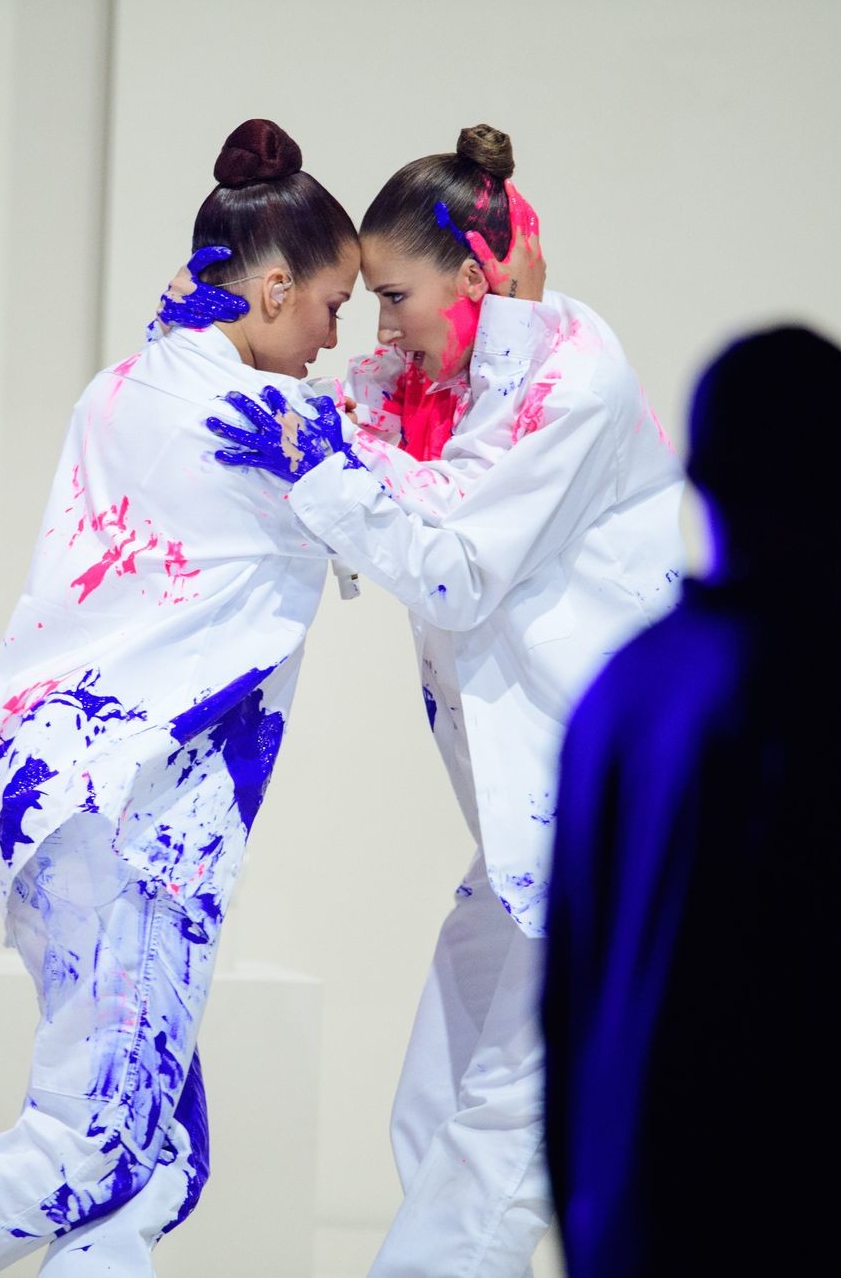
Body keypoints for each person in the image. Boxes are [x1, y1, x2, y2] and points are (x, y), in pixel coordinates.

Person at [0, 118, 359, 1278]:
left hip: (49, 798)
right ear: (274, 288)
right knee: (85, 1149)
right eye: (337, 306)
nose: (338, 338)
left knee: (156, 1158)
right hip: (129, 820)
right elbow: (424, 538)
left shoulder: (127, 384)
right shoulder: (265, 428)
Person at [200, 123, 686, 1278]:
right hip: (531, 826)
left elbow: (458, 567)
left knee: (497, 1147)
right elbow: (345, 442)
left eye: (391, 298)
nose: (375, 330)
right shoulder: (438, 378)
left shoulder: (574, 377)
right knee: (436, 1108)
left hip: (611, 816)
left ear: (472, 278)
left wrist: (322, 469)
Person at [540, 325, 841, 1276]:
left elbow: (569, 997)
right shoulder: (835, 698)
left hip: (634, 1218)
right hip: (779, 1217)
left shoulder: (624, 688)